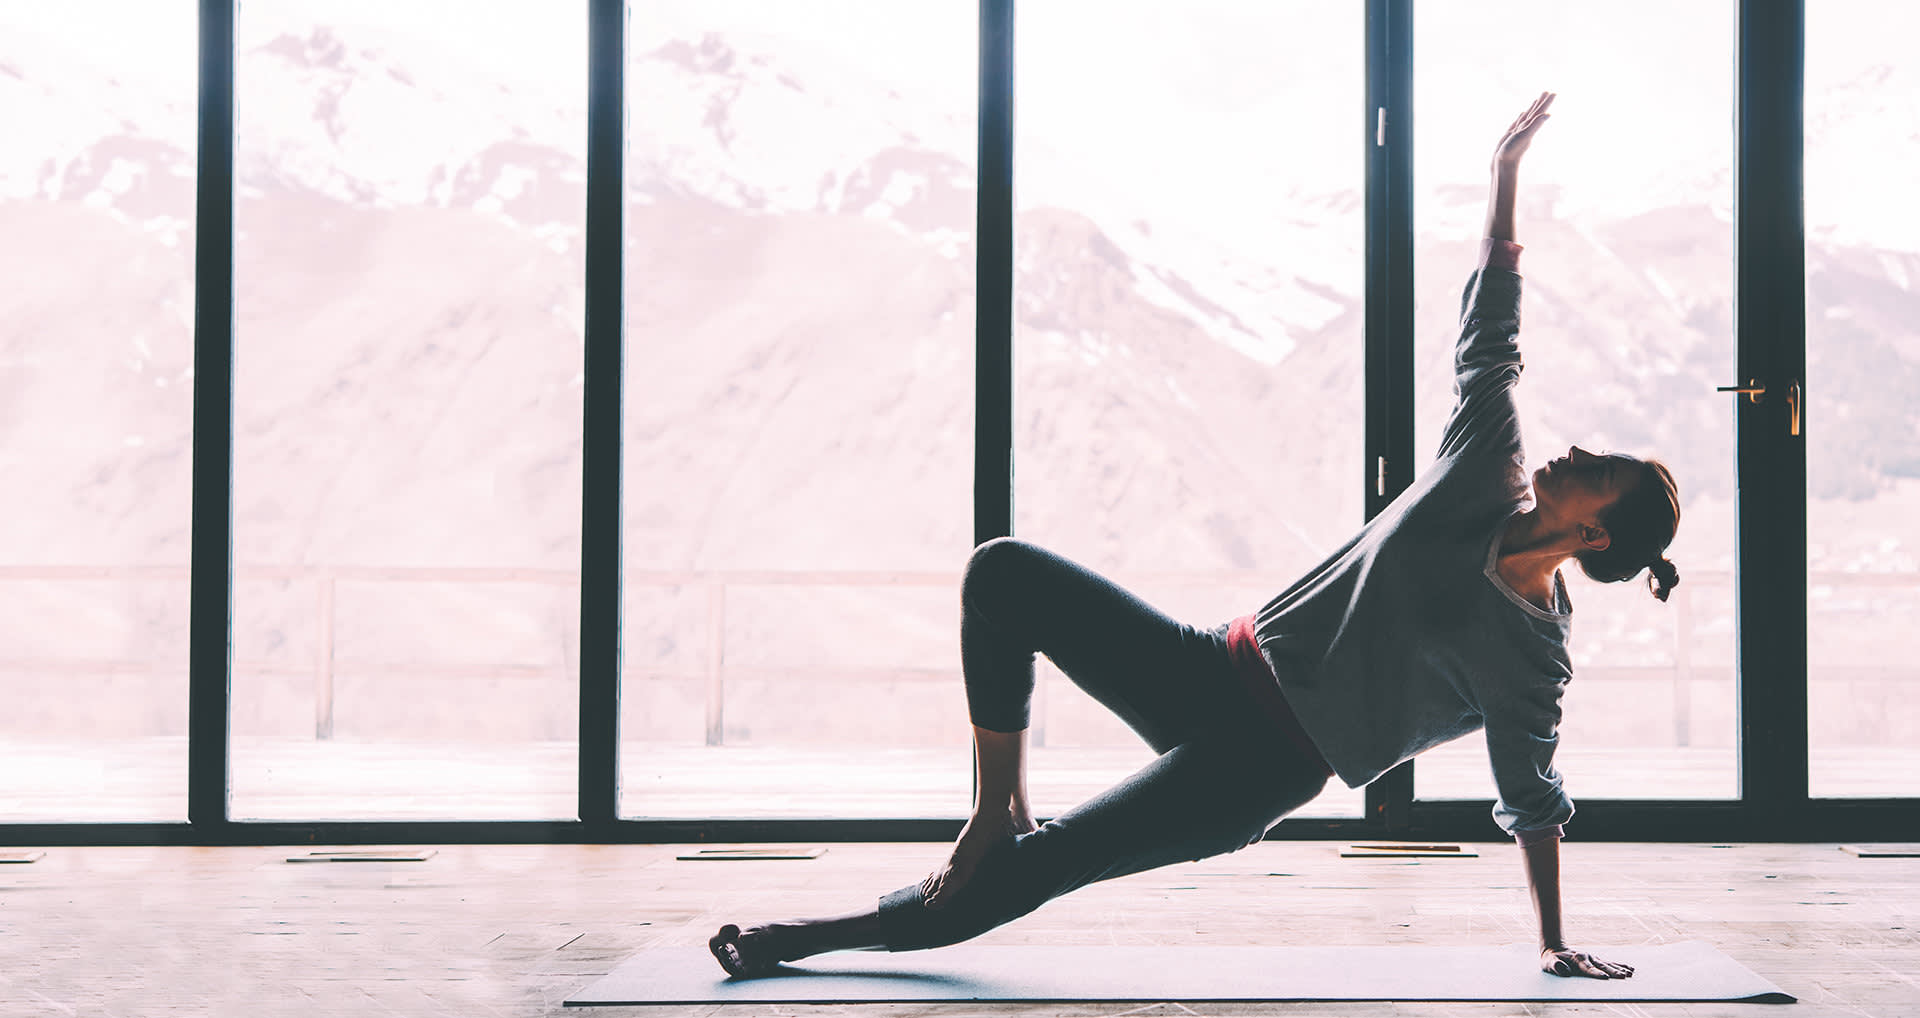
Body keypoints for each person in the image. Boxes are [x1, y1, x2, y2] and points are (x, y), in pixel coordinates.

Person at [709, 92, 1677, 982]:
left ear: (1594, 535)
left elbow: (1530, 793)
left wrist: (1551, 938)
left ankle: (808, 939)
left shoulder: (1531, 654)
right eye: (1591, 451)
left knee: (1039, 872)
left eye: (1595, 473)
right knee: (1002, 573)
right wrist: (1505, 178)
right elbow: (1490, 339)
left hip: (1263, 766)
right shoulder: (1483, 470)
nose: (1575, 453)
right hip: (1211, 665)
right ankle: (994, 805)